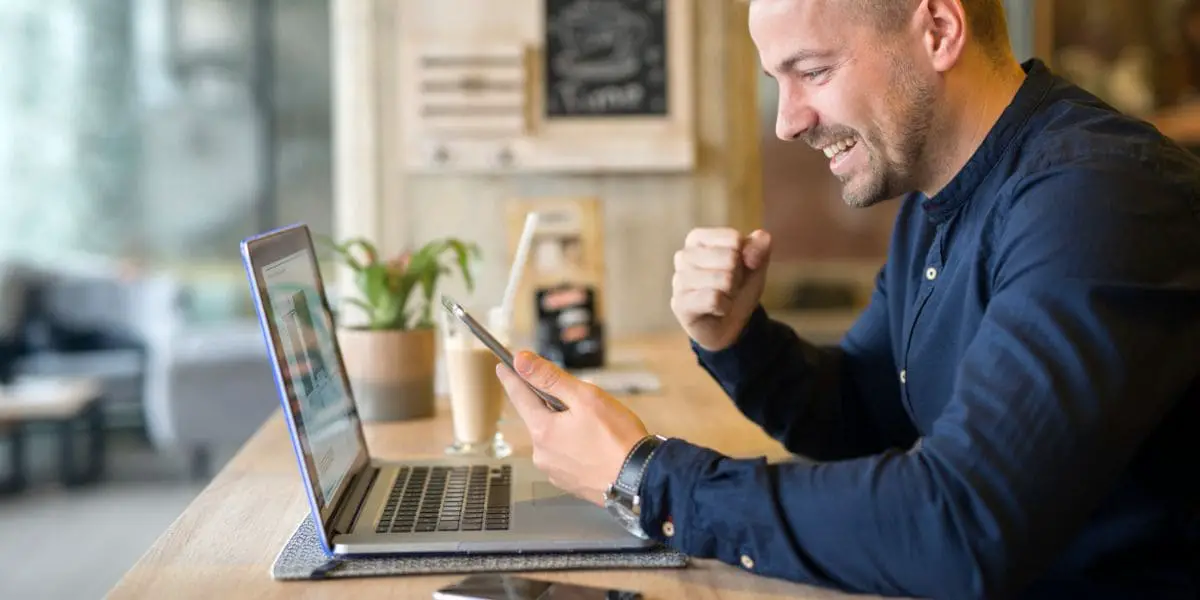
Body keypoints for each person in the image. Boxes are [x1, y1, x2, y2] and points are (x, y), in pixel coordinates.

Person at [494, 0, 1200, 598]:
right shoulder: (937, 196)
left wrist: (649, 480)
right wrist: (737, 340)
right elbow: (865, 413)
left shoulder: (1098, 199)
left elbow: (957, 524)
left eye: (813, 71)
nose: (788, 121)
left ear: (940, 30)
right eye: (779, 79)